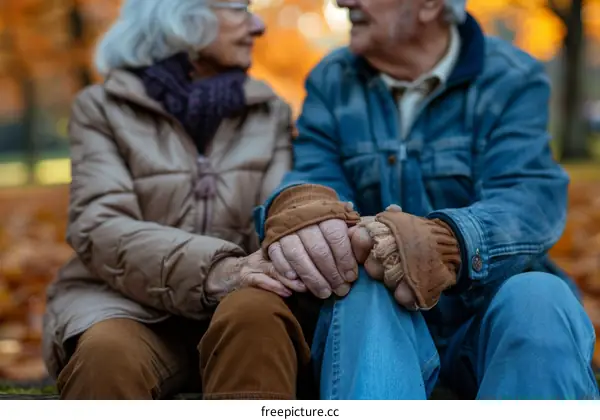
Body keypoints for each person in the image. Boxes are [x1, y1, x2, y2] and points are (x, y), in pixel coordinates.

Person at [248, 0, 599, 399]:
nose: (342, 2)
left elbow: (528, 197)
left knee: (540, 298)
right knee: (363, 294)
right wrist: (305, 209)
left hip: (484, 323)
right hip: (381, 332)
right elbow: (314, 174)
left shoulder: (511, 77)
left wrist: (447, 242)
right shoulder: (332, 79)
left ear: (431, 5)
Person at [42, 0, 320, 400]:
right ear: (180, 15)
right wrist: (215, 270)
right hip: (123, 301)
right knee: (107, 353)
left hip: (244, 298)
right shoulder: (100, 108)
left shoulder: (269, 112)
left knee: (256, 320)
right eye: (240, 9)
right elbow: (99, 225)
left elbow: (275, 216)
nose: (258, 25)